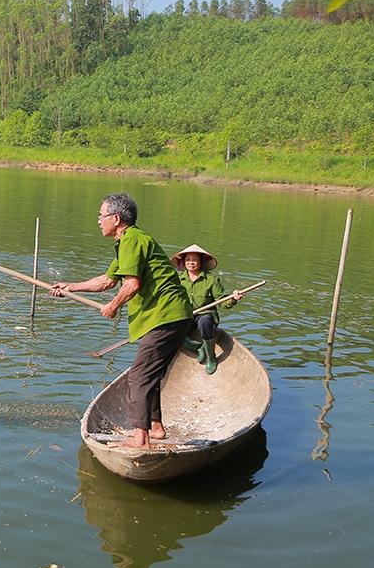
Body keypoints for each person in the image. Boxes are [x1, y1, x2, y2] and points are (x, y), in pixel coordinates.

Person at [50, 193, 193, 450]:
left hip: (165, 314)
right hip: (169, 315)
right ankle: (156, 428)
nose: (98, 221)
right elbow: (108, 281)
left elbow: (131, 285)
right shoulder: (129, 241)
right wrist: (71, 287)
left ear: (116, 219)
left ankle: (141, 439)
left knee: (138, 376)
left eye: (101, 216)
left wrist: (113, 306)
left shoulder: (133, 240)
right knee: (150, 373)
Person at [171, 245, 244, 375]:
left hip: (205, 315)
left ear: (201, 262)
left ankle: (211, 357)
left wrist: (234, 298)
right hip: (187, 315)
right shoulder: (178, 280)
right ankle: (198, 347)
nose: (191, 263)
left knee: (205, 321)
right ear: (183, 262)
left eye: (195, 260)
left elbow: (222, 301)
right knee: (170, 330)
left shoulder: (211, 280)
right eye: (188, 260)